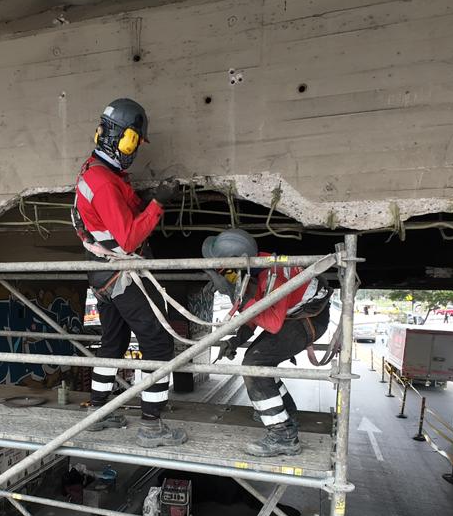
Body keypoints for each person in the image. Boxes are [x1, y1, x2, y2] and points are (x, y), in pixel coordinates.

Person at [72, 97, 185, 448]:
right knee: (157, 343)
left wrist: (146, 199)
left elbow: (117, 213)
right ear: (117, 138)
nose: (133, 150)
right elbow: (130, 236)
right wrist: (159, 203)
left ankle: (100, 411)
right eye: (132, 140)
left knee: (113, 342)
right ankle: (152, 424)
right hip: (120, 273)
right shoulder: (104, 182)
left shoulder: (97, 171)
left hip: (101, 275)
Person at [205, 229, 332, 457]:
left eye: (228, 274)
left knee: (255, 363)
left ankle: (282, 436)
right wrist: (237, 339)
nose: (229, 280)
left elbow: (272, 323)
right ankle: (286, 414)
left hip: (309, 319)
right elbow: (259, 312)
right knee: (259, 359)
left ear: (239, 264)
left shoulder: (273, 276)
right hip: (296, 316)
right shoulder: (260, 266)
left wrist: (239, 299)